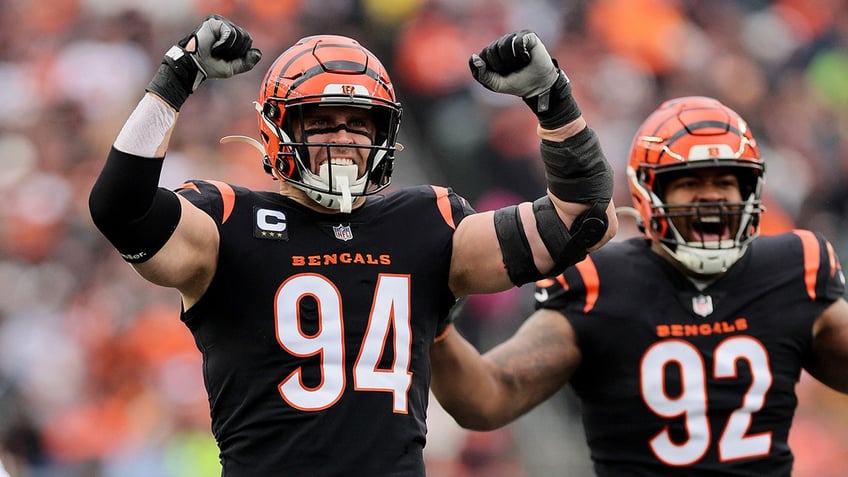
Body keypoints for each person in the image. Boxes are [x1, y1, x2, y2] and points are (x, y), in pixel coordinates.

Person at [88, 14, 617, 476]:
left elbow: (584, 219)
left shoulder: (425, 222)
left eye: (359, 125)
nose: (342, 137)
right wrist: (175, 78)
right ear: (279, 128)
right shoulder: (227, 219)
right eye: (321, 122)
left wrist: (553, 101)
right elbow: (120, 209)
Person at [430, 96, 848, 476]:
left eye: (725, 181)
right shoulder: (603, 282)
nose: (711, 197)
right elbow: (489, 397)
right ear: (650, 194)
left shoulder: (794, 268)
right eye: (690, 183)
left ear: (751, 190)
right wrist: (434, 322)